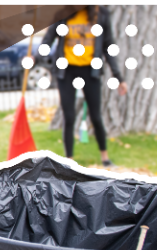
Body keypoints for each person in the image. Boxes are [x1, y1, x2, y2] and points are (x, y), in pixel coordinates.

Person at [41, 6, 128, 167]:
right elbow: (48, 40)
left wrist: (119, 78)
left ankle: (105, 158)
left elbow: (108, 46)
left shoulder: (101, 14)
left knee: (96, 116)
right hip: (66, 72)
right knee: (69, 116)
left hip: (90, 71)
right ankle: (69, 161)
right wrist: (36, 57)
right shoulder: (62, 15)